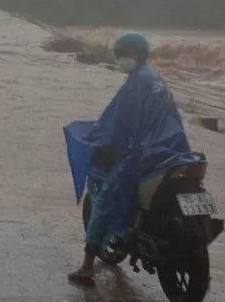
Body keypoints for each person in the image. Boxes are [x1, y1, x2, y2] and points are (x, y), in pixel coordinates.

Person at [68, 32, 191, 286]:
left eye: (128, 54)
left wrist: (103, 139)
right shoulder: (156, 79)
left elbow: (120, 124)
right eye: (121, 54)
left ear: (140, 55)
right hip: (173, 147)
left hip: (144, 153)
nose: (124, 59)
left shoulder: (136, 83)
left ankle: (87, 266)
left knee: (102, 201)